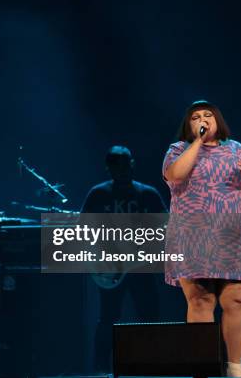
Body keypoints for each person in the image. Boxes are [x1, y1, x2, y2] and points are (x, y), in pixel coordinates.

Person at [162, 100, 241, 378]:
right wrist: (197, 142)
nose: (203, 119)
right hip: (192, 234)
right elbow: (175, 175)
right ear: (189, 124)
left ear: (218, 119)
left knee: (238, 299)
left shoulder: (237, 149)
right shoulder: (178, 150)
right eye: (196, 117)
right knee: (200, 301)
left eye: (208, 115)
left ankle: (234, 366)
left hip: (233, 234)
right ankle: (203, 367)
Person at [81, 145, 167, 373]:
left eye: (126, 164)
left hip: (141, 266)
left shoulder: (147, 193)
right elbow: (82, 229)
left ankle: (151, 366)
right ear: (108, 168)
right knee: (109, 317)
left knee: (149, 315)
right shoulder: (98, 194)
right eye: (117, 166)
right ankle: (100, 369)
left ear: (132, 164)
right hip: (110, 267)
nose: (123, 170)